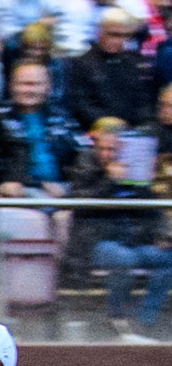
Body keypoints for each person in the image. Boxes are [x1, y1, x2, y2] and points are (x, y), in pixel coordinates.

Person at [68, 116, 172, 339]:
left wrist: (160, 234)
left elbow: (151, 210)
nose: (107, 154)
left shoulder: (136, 169)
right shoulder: (85, 164)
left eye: (113, 150)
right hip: (96, 241)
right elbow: (80, 204)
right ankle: (115, 318)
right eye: (102, 149)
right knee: (123, 259)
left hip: (134, 240)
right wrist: (109, 180)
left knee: (167, 259)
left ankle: (145, 321)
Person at [0, 59, 80, 195]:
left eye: (36, 84)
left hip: (60, 191)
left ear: (49, 87)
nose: (29, 90)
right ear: (11, 85)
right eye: (24, 84)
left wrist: (71, 188)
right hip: (15, 191)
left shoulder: (63, 117)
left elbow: (81, 155)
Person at [65, 8, 151, 129]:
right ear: (99, 33)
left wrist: (142, 124)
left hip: (133, 130)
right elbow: (81, 104)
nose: (118, 41)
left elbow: (144, 100)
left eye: (124, 36)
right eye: (113, 34)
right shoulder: (81, 64)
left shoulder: (135, 62)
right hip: (95, 130)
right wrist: (108, 123)